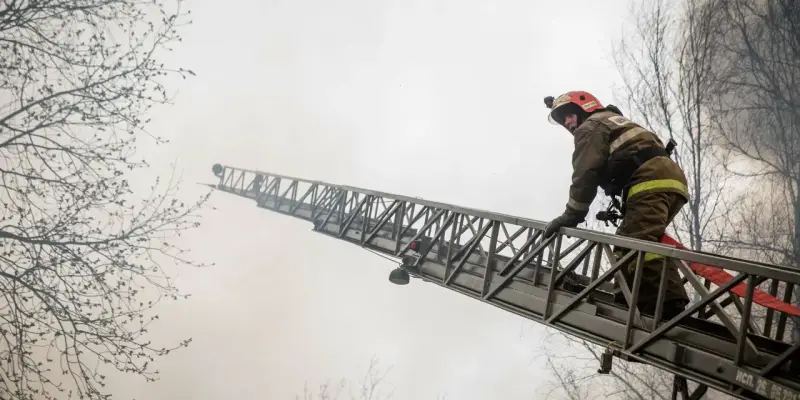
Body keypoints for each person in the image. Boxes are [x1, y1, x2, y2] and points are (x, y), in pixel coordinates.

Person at [541, 90, 690, 319]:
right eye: (563, 120)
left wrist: (571, 215)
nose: (568, 123)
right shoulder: (611, 121)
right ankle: (666, 302)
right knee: (646, 242)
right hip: (668, 181)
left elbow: (585, 174)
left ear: (586, 108)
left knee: (630, 245)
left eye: (569, 115)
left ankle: (651, 309)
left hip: (649, 181)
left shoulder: (590, 127)